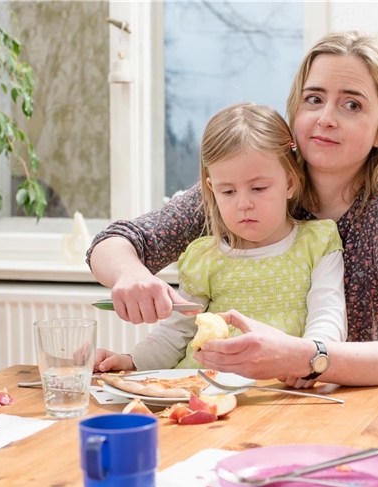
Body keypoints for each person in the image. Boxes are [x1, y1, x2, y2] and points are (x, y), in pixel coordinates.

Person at [87, 31, 378, 387]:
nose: (326, 118)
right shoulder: (246, 185)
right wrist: (129, 274)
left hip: (340, 413)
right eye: (314, 99)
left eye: (352, 105)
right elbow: (114, 242)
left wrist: (309, 358)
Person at [94, 103, 347, 372]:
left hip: (283, 388)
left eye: (258, 188)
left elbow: (328, 316)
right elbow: (174, 335)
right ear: (212, 189)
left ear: (289, 183)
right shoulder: (205, 257)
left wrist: (308, 365)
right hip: (204, 386)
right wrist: (131, 362)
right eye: (228, 192)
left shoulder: (318, 244)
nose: (244, 204)